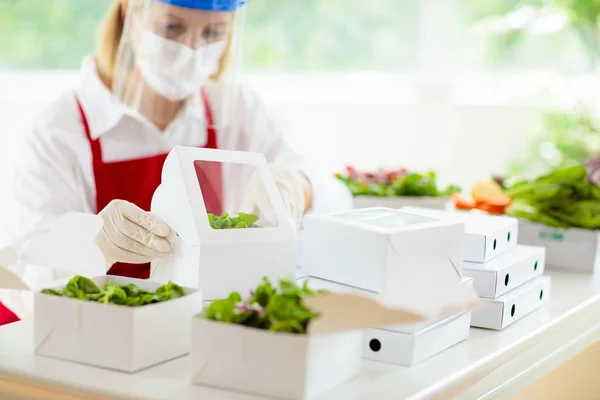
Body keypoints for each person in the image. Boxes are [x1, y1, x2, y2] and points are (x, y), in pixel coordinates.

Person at [0, 0, 352, 326]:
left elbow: (337, 201)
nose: (191, 49)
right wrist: (89, 247)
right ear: (129, 12)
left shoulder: (237, 111)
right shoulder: (60, 132)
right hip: (97, 340)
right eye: (172, 28)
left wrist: (299, 187)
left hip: (203, 336)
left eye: (213, 32)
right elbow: (28, 283)